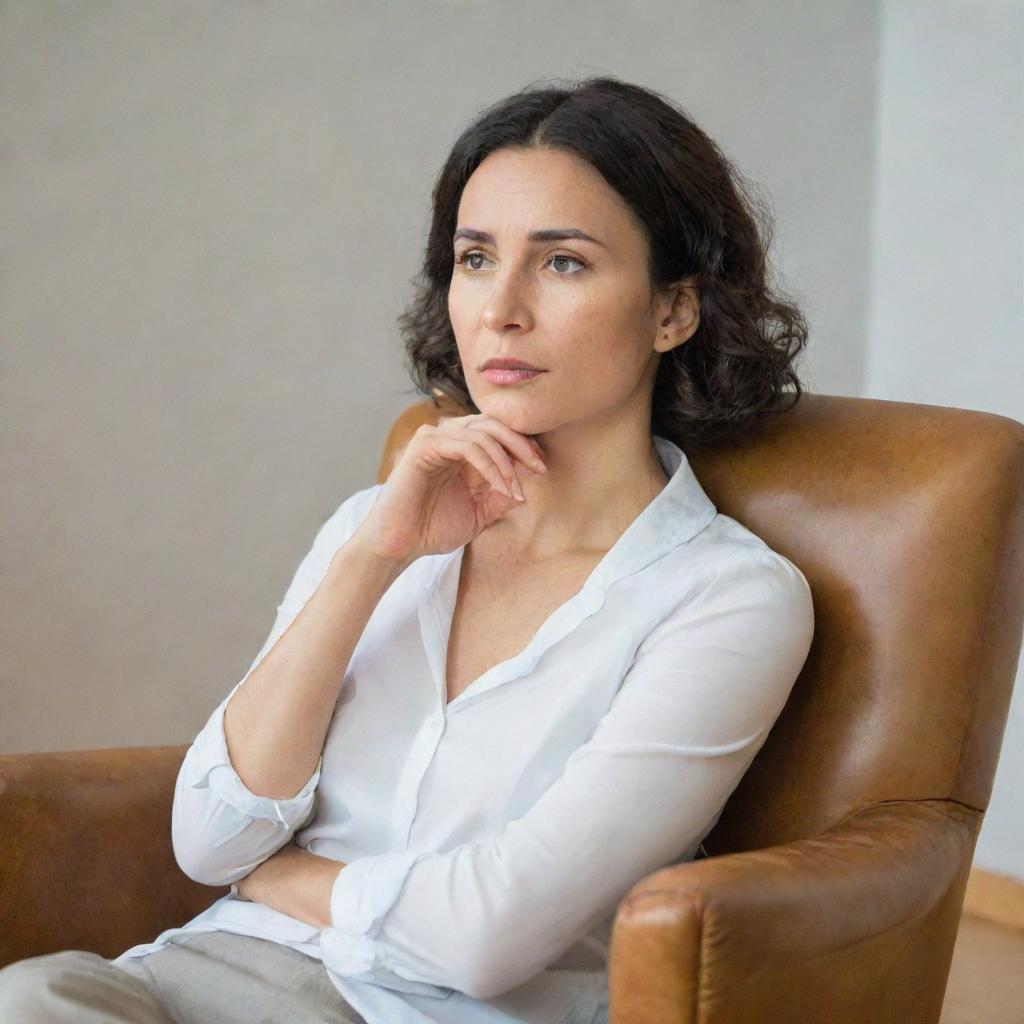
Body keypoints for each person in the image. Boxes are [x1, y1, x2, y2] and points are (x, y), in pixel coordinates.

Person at [0, 74, 814, 1024]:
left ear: (674, 311)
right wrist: (374, 557)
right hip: (206, 975)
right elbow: (210, 839)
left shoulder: (727, 598)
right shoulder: (373, 527)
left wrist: (284, 875)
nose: (499, 309)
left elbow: (488, 936)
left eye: (564, 264)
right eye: (475, 258)